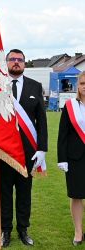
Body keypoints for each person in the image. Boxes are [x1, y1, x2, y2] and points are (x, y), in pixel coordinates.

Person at [0, 49, 48, 247]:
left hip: (28, 153)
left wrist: (42, 148)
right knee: (4, 193)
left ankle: (23, 229)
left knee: (24, 193)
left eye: (20, 60)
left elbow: (42, 122)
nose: (16, 63)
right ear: (7, 63)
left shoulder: (35, 87)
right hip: (3, 151)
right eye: (12, 59)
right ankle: (5, 230)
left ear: (24, 64)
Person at [57, 71, 85, 246]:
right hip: (76, 158)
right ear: (78, 86)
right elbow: (63, 135)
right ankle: (78, 231)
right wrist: (62, 159)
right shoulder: (70, 106)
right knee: (76, 196)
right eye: (82, 83)